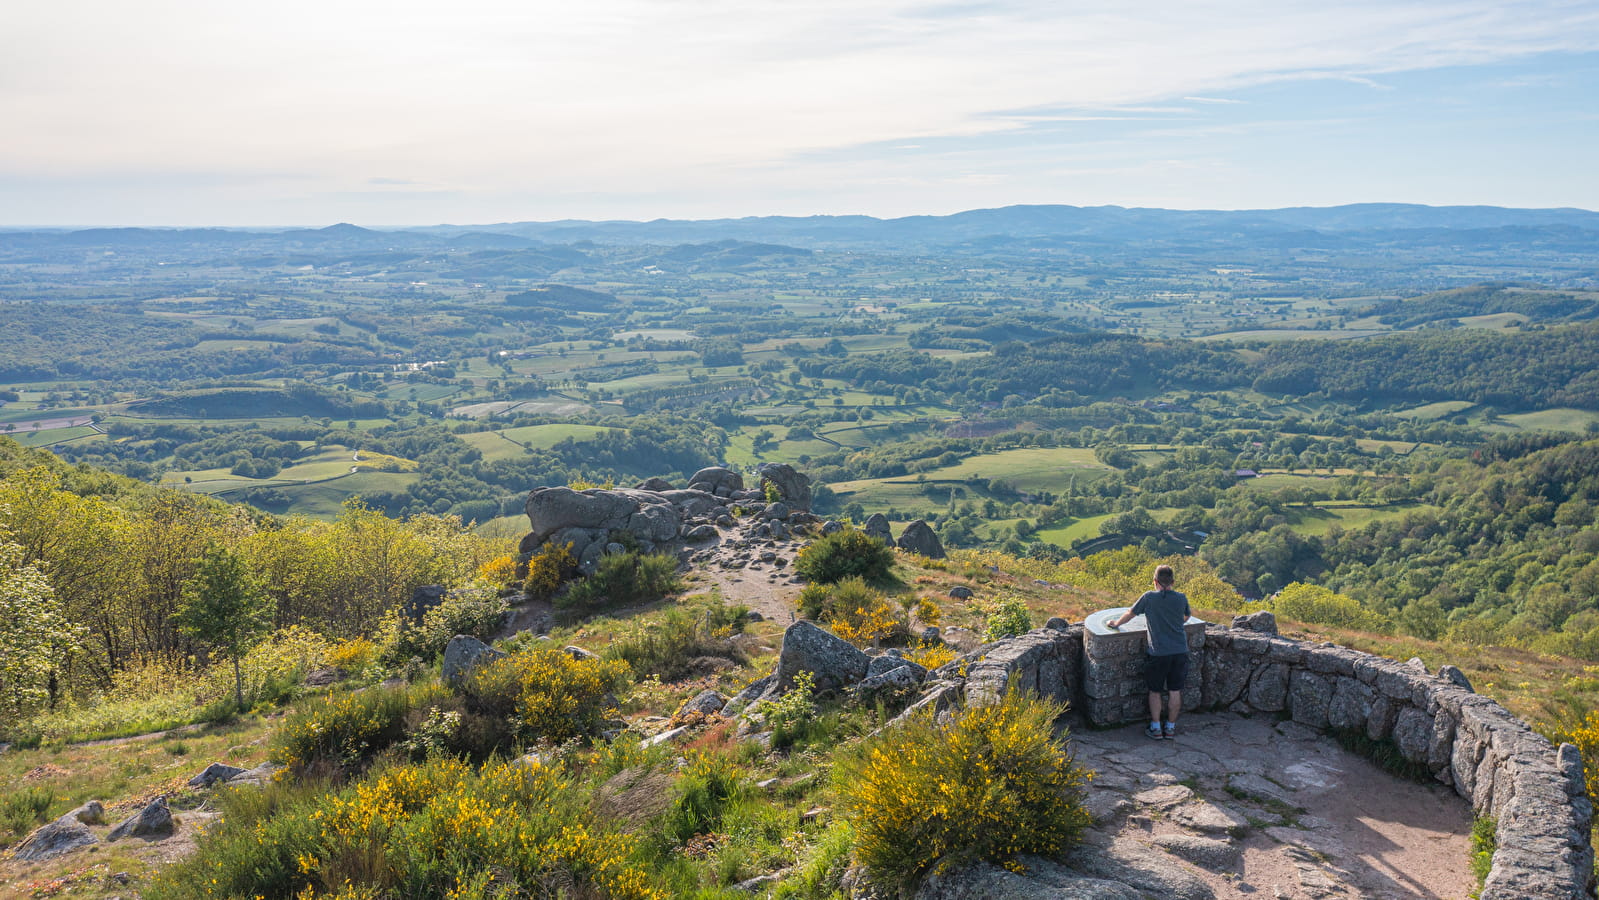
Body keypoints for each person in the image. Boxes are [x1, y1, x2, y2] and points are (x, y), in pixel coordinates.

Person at [1108, 564, 1190, 739]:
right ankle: (1170, 728)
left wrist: (1115, 624)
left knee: (1155, 691)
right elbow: (1187, 616)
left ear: (1155, 581)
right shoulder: (1181, 598)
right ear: (1173, 582)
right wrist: (1174, 623)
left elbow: (1131, 613)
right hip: (1180, 651)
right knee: (1175, 690)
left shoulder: (1149, 597)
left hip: (1159, 653)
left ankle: (1156, 728)